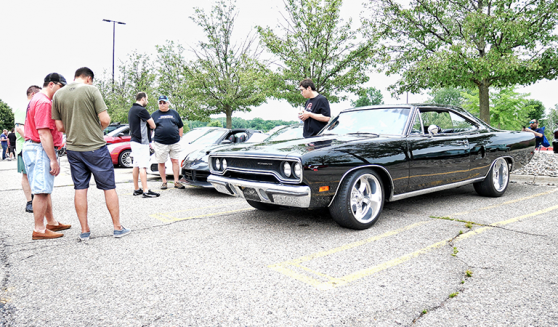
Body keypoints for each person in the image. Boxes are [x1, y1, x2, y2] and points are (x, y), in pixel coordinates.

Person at [52, 67, 130, 241]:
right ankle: (117, 228)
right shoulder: (91, 90)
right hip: (95, 147)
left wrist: (74, 129)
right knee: (108, 187)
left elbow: (59, 127)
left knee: (80, 188)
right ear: (88, 78)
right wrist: (96, 130)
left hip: (73, 148)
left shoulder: (58, 95)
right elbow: (105, 120)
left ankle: (85, 231)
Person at [23, 73, 71, 240]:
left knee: (44, 189)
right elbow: (44, 133)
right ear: (52, 84)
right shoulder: (44, 102)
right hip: (39, 149)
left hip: (33, 148)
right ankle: (39, 229)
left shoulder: (36, 99)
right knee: (42, 191)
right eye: (60, 87)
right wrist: (52, 159)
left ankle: (50, 222)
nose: (61, 91)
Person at [128, 92, 159, 198]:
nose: (147, 101)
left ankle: (137, 189)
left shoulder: (132, 110)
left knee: (136, 165)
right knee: (143, 166)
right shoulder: (141, 110)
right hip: (142, 142)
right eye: (147, 99)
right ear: (142, 99)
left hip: (134, 140)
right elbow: (153, 125)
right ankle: (146, 191)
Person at [16, 85, 41, 213]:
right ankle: (29, 202)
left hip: (33, 146)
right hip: (25, 147)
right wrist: (33, 141)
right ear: (32, 94)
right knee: (26, 175)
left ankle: (37, 199)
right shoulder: (23, 108)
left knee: (35, 174)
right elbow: (20, 128)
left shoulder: (33, 107)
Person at [151, 95, 185, 190]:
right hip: (160, 143)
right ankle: (164, 182)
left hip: (174, 142)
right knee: (161, 162)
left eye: (164, 102)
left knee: (175, 161)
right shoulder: (154, 115)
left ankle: (176, 181)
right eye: (160, 103)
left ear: (168, 103)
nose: (162, 104)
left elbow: (180, 126)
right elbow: (150, 128)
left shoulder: (174, 113)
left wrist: (180, 137)